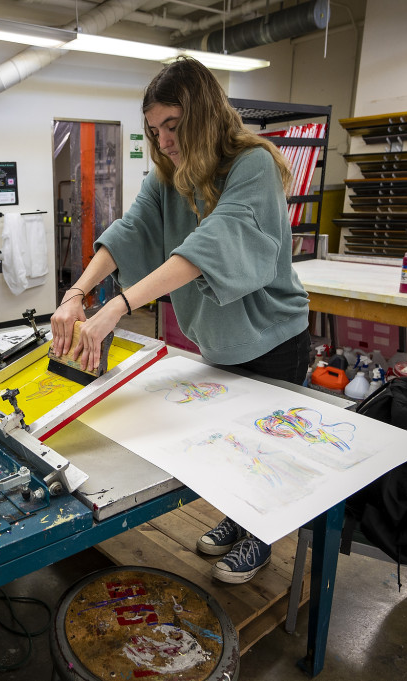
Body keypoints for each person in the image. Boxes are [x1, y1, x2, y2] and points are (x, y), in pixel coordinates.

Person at [50, 57, 311, 585]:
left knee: (263, 447)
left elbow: (208, 247)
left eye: (173, 126)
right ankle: (236, 517)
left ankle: (259, 536)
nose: (163, 141)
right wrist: (77, 293)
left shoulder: (252, 166)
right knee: (232, 443)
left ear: (205, 116)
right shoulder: (168, 175)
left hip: (273, 341)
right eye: (154, 129)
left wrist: (116, 308)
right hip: (220, 342)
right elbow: (131, 230)